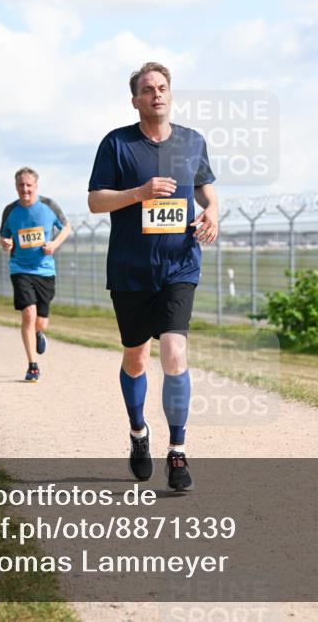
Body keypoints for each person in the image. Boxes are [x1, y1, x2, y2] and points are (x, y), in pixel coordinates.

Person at [87, 62, 219, 492]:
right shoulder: (117, 144)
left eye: (163, 88)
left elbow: (204, 185)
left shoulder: (192, 141)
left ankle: (177, 451)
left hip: (180, 263)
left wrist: (212, 211)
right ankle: (139, 434)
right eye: (148, 90)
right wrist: (139, 193)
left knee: (174, 352)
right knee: (136, 358)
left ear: (171, 94)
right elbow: (95, 201)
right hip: (130, 270)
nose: (156, 95)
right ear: (135, 100)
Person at [0, 167, 71, 382]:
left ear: (36, 186)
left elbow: (66, 227)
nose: (25, 189)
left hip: (45, 271)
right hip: (20, 269)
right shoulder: (10, 210)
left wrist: (54, 244)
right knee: (28, 314)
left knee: (41, 322)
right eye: (21, 185)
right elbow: (4, 236)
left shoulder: (49, 206)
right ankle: (32, 366)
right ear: (16, 187)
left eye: (29, 185)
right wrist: (5, 243)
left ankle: (38, 333)